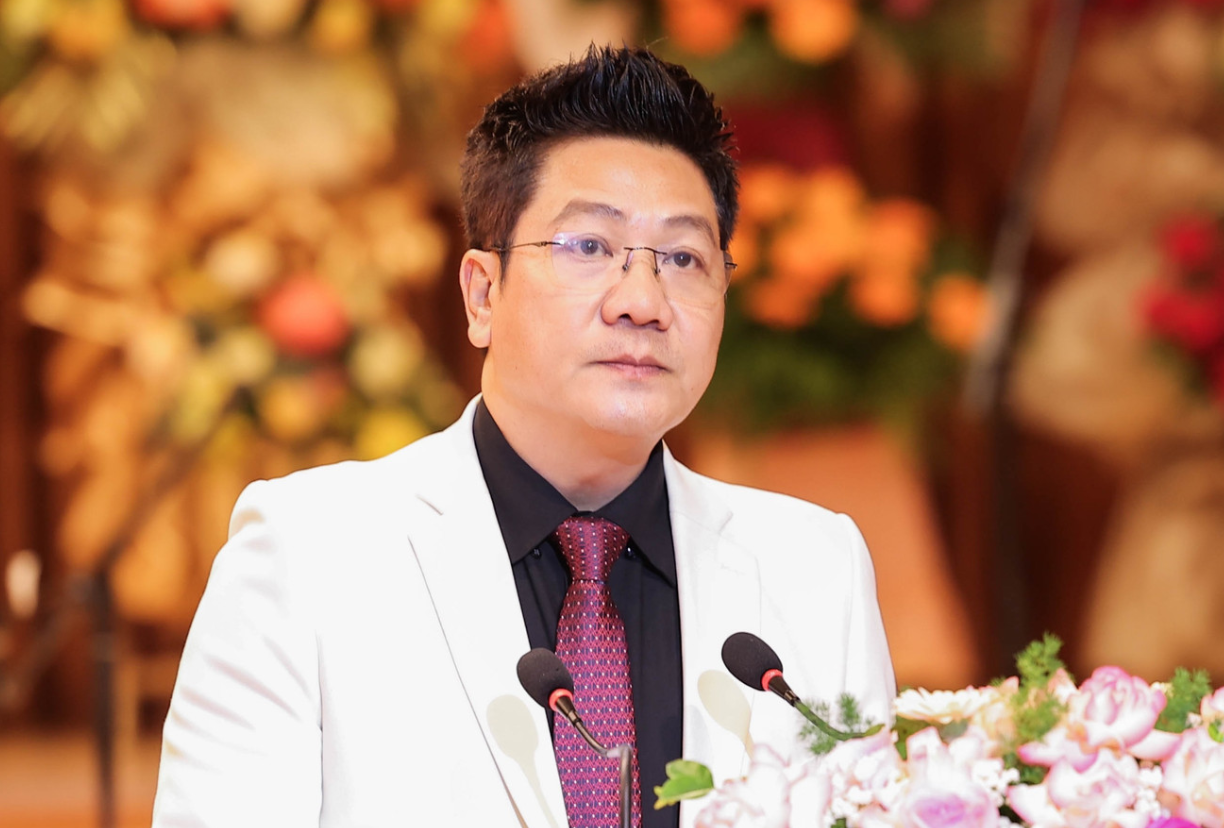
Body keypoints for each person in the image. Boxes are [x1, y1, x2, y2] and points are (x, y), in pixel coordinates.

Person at [151, 45, 895, 828]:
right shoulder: (308, 558)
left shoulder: (818, 572)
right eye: (589, 247)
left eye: (683, 258)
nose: (642, 302)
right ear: (482, 294)